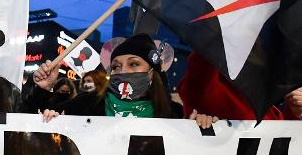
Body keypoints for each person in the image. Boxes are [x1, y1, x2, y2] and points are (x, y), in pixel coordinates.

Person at [42, 34, 216, 127]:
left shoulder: (176, 114)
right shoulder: (86, 104)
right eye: (116, 66)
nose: (123, 71)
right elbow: (34, 122)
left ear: (152, 72)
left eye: (133, 64)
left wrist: (198, 129)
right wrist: (44, 91)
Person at [177, 51, 302, 121]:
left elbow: (278, 148)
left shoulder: (264, 102)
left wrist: (294, 113)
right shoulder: (213, 86)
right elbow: (196, 83)